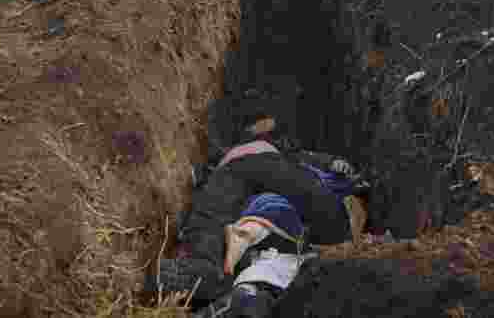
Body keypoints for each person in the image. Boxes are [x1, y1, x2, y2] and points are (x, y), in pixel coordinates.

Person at [156, 117, 368, 314]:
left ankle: (201, 267)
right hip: (238, 177)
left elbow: (314, 166)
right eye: (258, 122)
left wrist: (334, 165)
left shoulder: (284, 151)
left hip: (261, 173)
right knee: (212, 219)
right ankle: (202, 270)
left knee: (212, 215)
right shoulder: (232, 151)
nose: (263, 124)